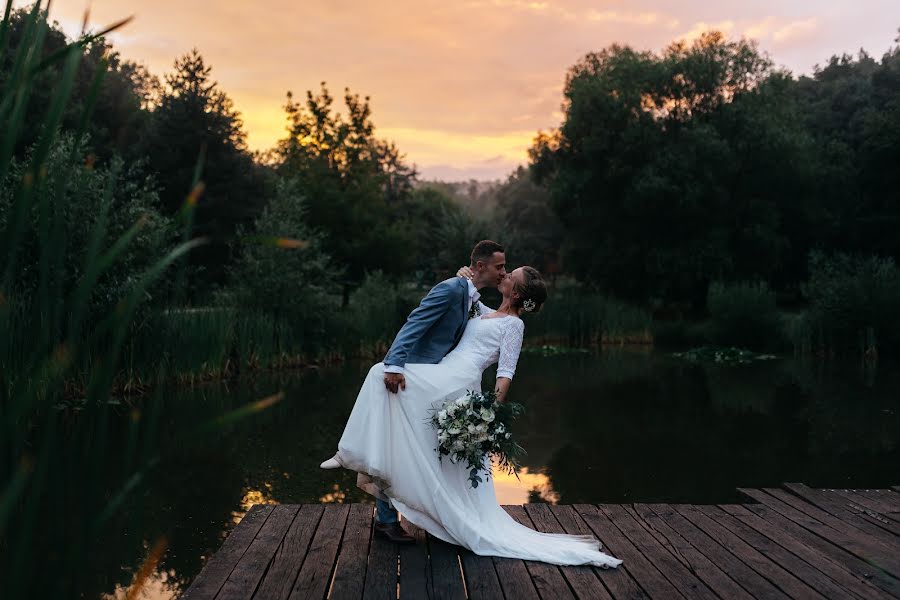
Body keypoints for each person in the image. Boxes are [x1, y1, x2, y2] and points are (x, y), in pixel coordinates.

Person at [321, 257, 622, 568]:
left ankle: (354, 457)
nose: (504, 274)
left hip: (459, 382)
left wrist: (492, 412)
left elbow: (506, 372)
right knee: (405, 431)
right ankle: (384, 501)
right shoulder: (484, 312)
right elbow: (467, 296)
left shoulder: (514, 325)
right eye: (504, 269)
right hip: (444, 375)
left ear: (516, 293)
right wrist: (464, 276)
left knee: (378, 375)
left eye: (510, 275)